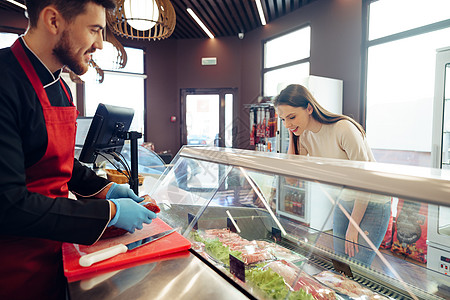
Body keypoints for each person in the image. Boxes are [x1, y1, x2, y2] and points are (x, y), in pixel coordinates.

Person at [0, 1, 157, 299]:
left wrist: (106, 189)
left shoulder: (60, 86)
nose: (99, 44)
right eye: (95, 30)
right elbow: (7, 204)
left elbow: (56, 161)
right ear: (53, 20)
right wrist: (108, 212)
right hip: (12, 270)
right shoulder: (4, 82)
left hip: (54, 252)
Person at [273, 84, 390, 267]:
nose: (287, 124)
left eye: (292, 117)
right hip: (344, 202)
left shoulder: (343, 129)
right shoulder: (304, 136)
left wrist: (354, 225)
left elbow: (364, 181)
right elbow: (291, 178)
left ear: (309, 108)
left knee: (356, 270)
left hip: (372, 204)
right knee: (342, 267)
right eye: (283, 119)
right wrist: (292, 133)